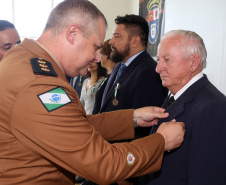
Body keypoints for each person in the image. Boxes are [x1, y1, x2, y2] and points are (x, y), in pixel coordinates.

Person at [0, 1, 185, 185]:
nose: (97, 57)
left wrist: (133, 118)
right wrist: (161, 142)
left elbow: (74, 124)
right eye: (96, 47)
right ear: (73, 34)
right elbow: (103, 164)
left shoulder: (22, 58)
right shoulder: (39, 84)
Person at [139, 30, 226, 185]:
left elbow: (207, 178)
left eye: (167, 60)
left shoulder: (214, 107)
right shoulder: (174, 96)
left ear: (193, 62)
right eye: (159, 60)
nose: (158, 68)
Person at [100, 14, 168, 140]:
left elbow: (144, 130)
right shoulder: (119, 66)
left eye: (117, 37)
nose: (111, 42)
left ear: (135, 41)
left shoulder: (150, 73)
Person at [92, 39, 116, 114]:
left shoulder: (115, 78)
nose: (99, 58)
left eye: (100, 54)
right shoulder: (108, 77)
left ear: (106, 56)